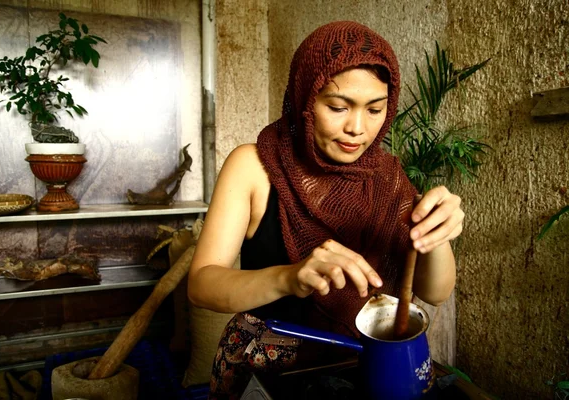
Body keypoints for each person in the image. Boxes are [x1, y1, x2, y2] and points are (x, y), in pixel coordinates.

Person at [188, 20, 463, 399]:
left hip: (358, 369)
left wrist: (439, 235)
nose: (357, 128)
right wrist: (290, 277)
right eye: (337, 106)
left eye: (375, 109)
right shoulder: (253, 165)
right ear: (305, 97)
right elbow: (201, 285)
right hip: (267, 372)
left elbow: (435, 292)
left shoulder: (389, 179)